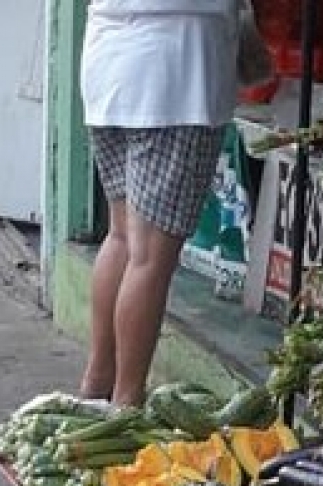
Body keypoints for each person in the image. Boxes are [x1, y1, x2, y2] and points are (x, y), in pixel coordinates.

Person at [78, 0, 240, 407]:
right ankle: (126, 401)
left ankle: (97, 382)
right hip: (174, 76)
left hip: (109, 64)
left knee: (121, 238)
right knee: (149, 258)